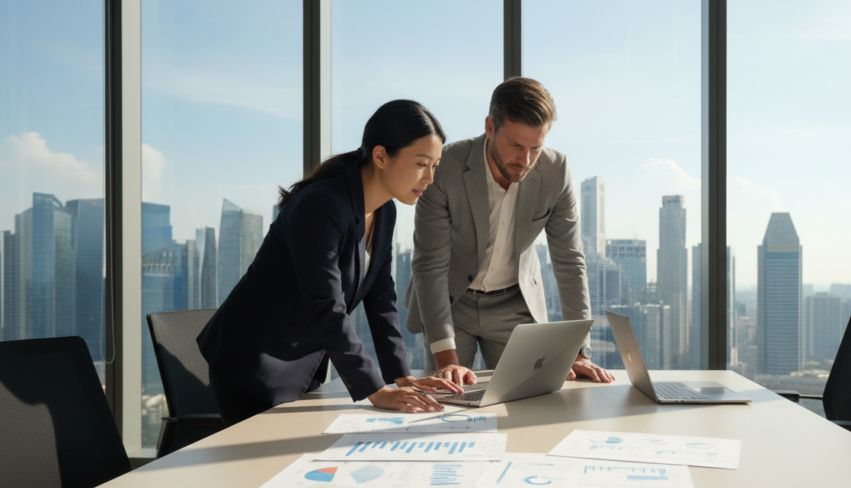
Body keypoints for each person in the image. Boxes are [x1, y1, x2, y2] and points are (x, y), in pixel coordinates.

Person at [197, 100, 462, 426]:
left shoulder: (385, 211)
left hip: (301, 363)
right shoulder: (321, 205)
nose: (430, 178)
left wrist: (400, 377)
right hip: (252, 362)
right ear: (380, 156)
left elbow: (381, 298)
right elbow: (326, 304)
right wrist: (376, 390)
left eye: (435, 165)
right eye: (422, 163)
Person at [404, 77, 614, 386]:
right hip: (451, 302)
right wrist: (446, 359)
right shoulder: (446, 165)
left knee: (523, 397)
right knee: (447, 396)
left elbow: (569, 261)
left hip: (514, 305)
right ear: (490, 127)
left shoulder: (556, 172)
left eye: (536, 148)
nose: (525, 161)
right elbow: (430, 264)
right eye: (515, 145)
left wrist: (580, 351)